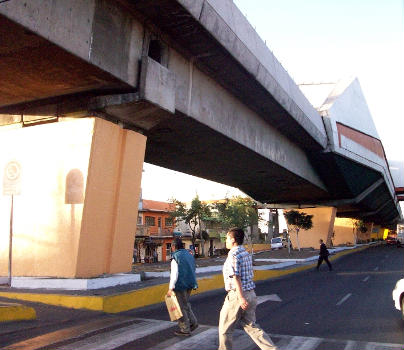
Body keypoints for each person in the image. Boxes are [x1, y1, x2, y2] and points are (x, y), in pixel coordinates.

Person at [218, 228, 277, 350]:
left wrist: (240, 298)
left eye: (227, 239)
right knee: (252, 326)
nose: (226, 241)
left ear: (233, 240)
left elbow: (236, 277)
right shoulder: (245, 253)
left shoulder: (233, 254)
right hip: (251, 293)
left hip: (237, 295)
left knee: (225, 329)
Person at [167, 238, 198, 336]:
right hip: (190, 283)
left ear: (173, 247)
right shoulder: (189, 255)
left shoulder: (175, 257)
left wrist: (170, 288)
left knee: (180, 307)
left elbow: (174, 274)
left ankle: (185, 329)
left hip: (180, 285)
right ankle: (193, 322)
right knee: (186, 304)